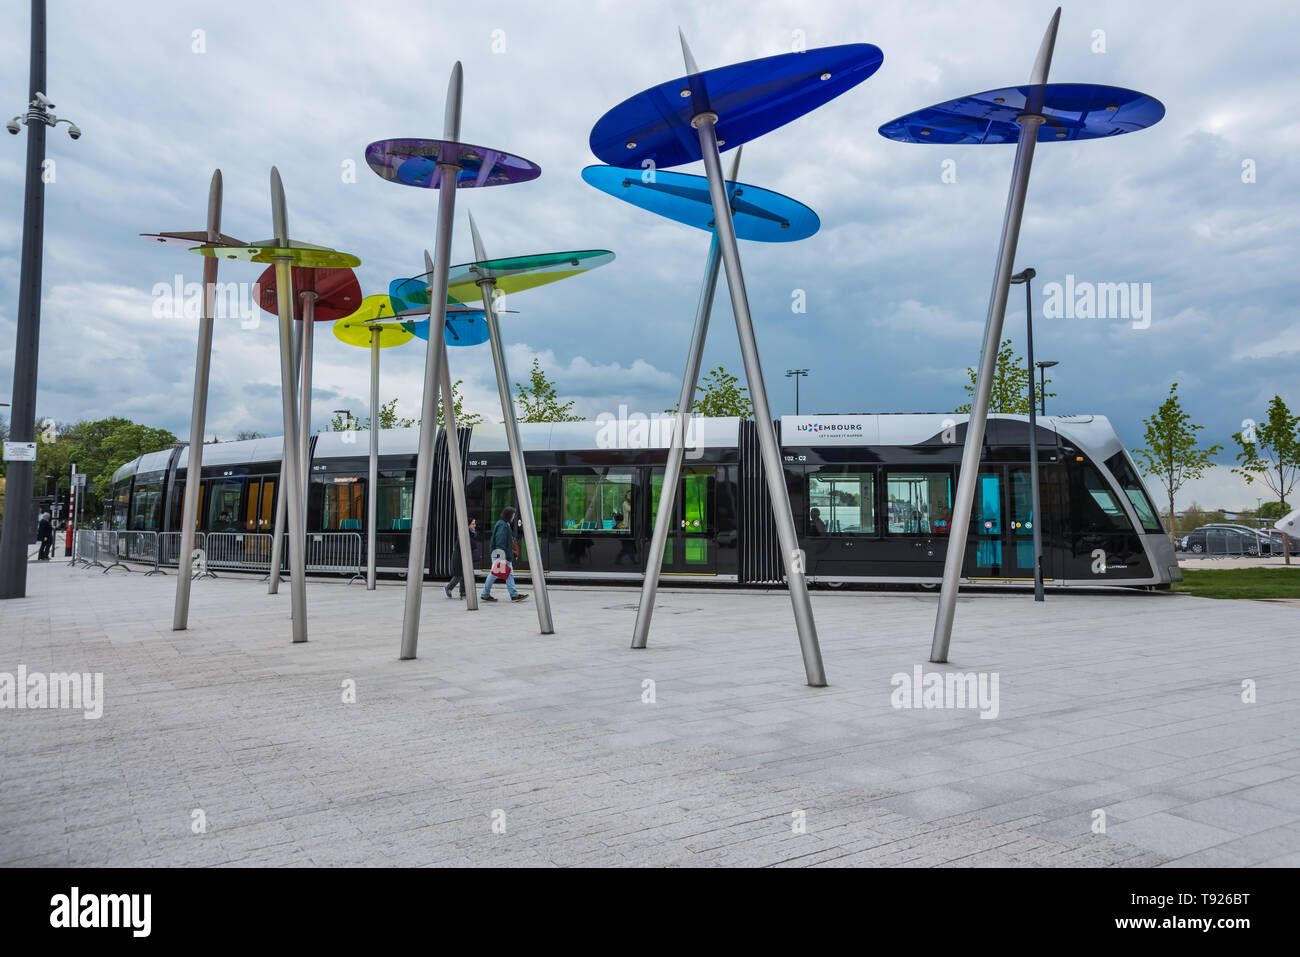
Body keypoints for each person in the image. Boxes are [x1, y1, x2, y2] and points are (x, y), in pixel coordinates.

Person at [481, 506, 529, 603]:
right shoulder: (503, 525)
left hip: (502, 554)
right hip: (501, 554)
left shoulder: (503, 524)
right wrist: (502, 557)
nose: (514, 517)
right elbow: (500, 541)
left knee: (505, 574)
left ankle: (513, 595)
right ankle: (486, 594)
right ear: (509, 515)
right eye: (513, 515)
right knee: (494, 574)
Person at [445, 517, 477, 599]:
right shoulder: (464, 533)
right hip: (459, 557)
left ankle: (463, 592)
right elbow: (471, 544)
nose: (475, 525)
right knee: (458, 575)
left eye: (474, 524)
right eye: (473, 524)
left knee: (465, 575)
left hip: (465, 557)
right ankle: (448, 587)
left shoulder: (470, 533)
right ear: (468, 525)